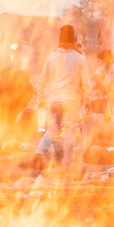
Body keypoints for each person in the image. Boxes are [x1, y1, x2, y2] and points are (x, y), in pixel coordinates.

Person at [35, 24, 91, 171]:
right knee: (70, 131)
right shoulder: (79, 59)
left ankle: (39, 152)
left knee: (52, 130)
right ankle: (67, 165)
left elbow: (41, 80)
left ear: (59, 39)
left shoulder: (51, 57)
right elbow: (87, 83)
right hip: (71, 100)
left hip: (54, 100)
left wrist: (40, 99)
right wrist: (86, 100)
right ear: (74, 39)